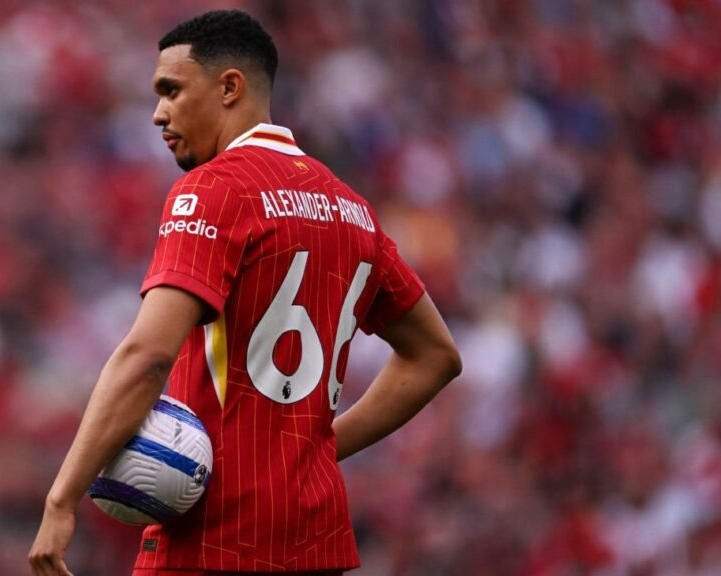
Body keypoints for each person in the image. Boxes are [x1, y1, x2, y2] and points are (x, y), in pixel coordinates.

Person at [29, 9, 461, 576]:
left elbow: (147, 356)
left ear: (229, 87)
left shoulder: (215, 189)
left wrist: (61, 500)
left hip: (215, 541)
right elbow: (435, 355)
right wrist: (318, 450)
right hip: (316, 542)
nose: (158, 113)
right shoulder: (352, 209)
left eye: (171, 90)